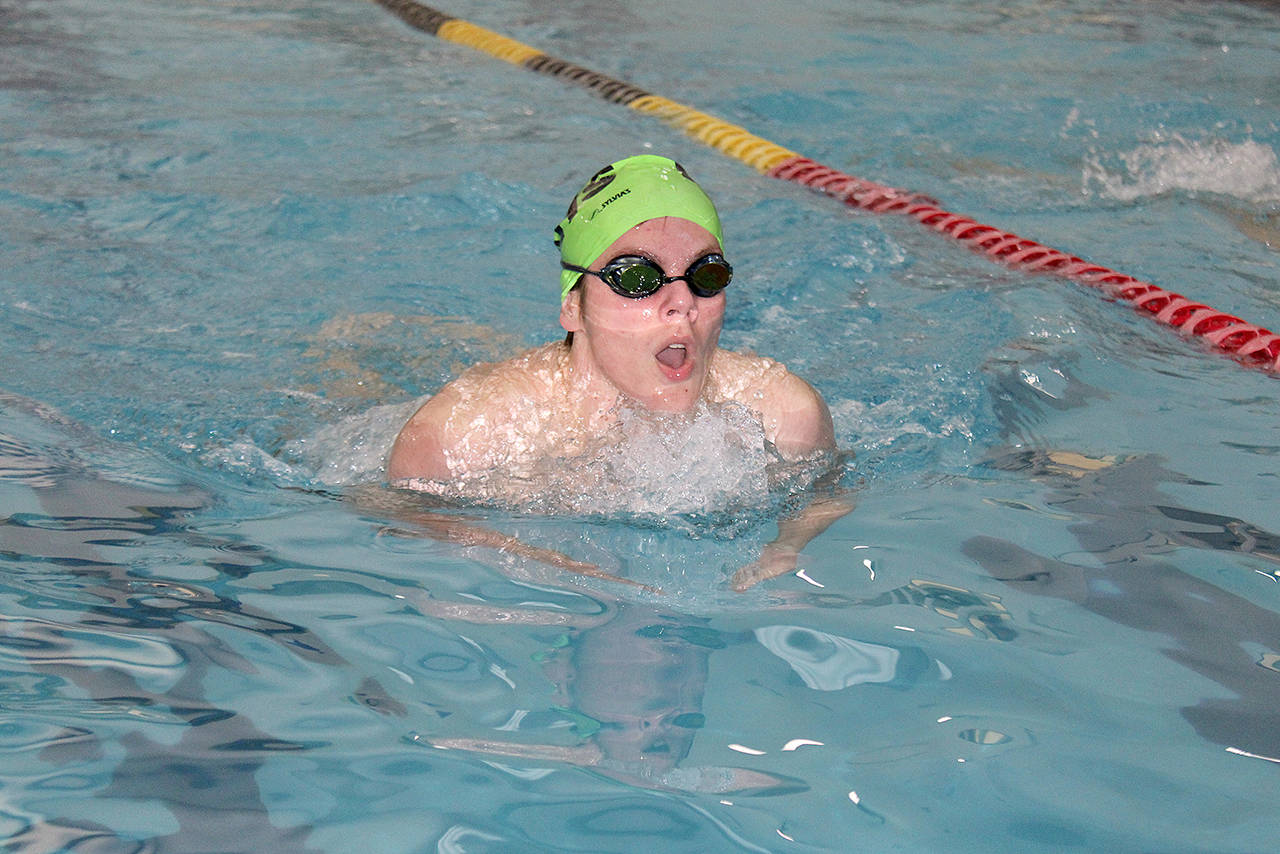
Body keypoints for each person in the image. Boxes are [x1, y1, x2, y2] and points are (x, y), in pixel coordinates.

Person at [387, 154, 836, 483]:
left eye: (706, 273)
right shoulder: (464, 435)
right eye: (637, 277)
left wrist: (782, 552)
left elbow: (822, 504)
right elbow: (411, 527)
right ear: (572, 307)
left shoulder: (784, 414)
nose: (682, 300)